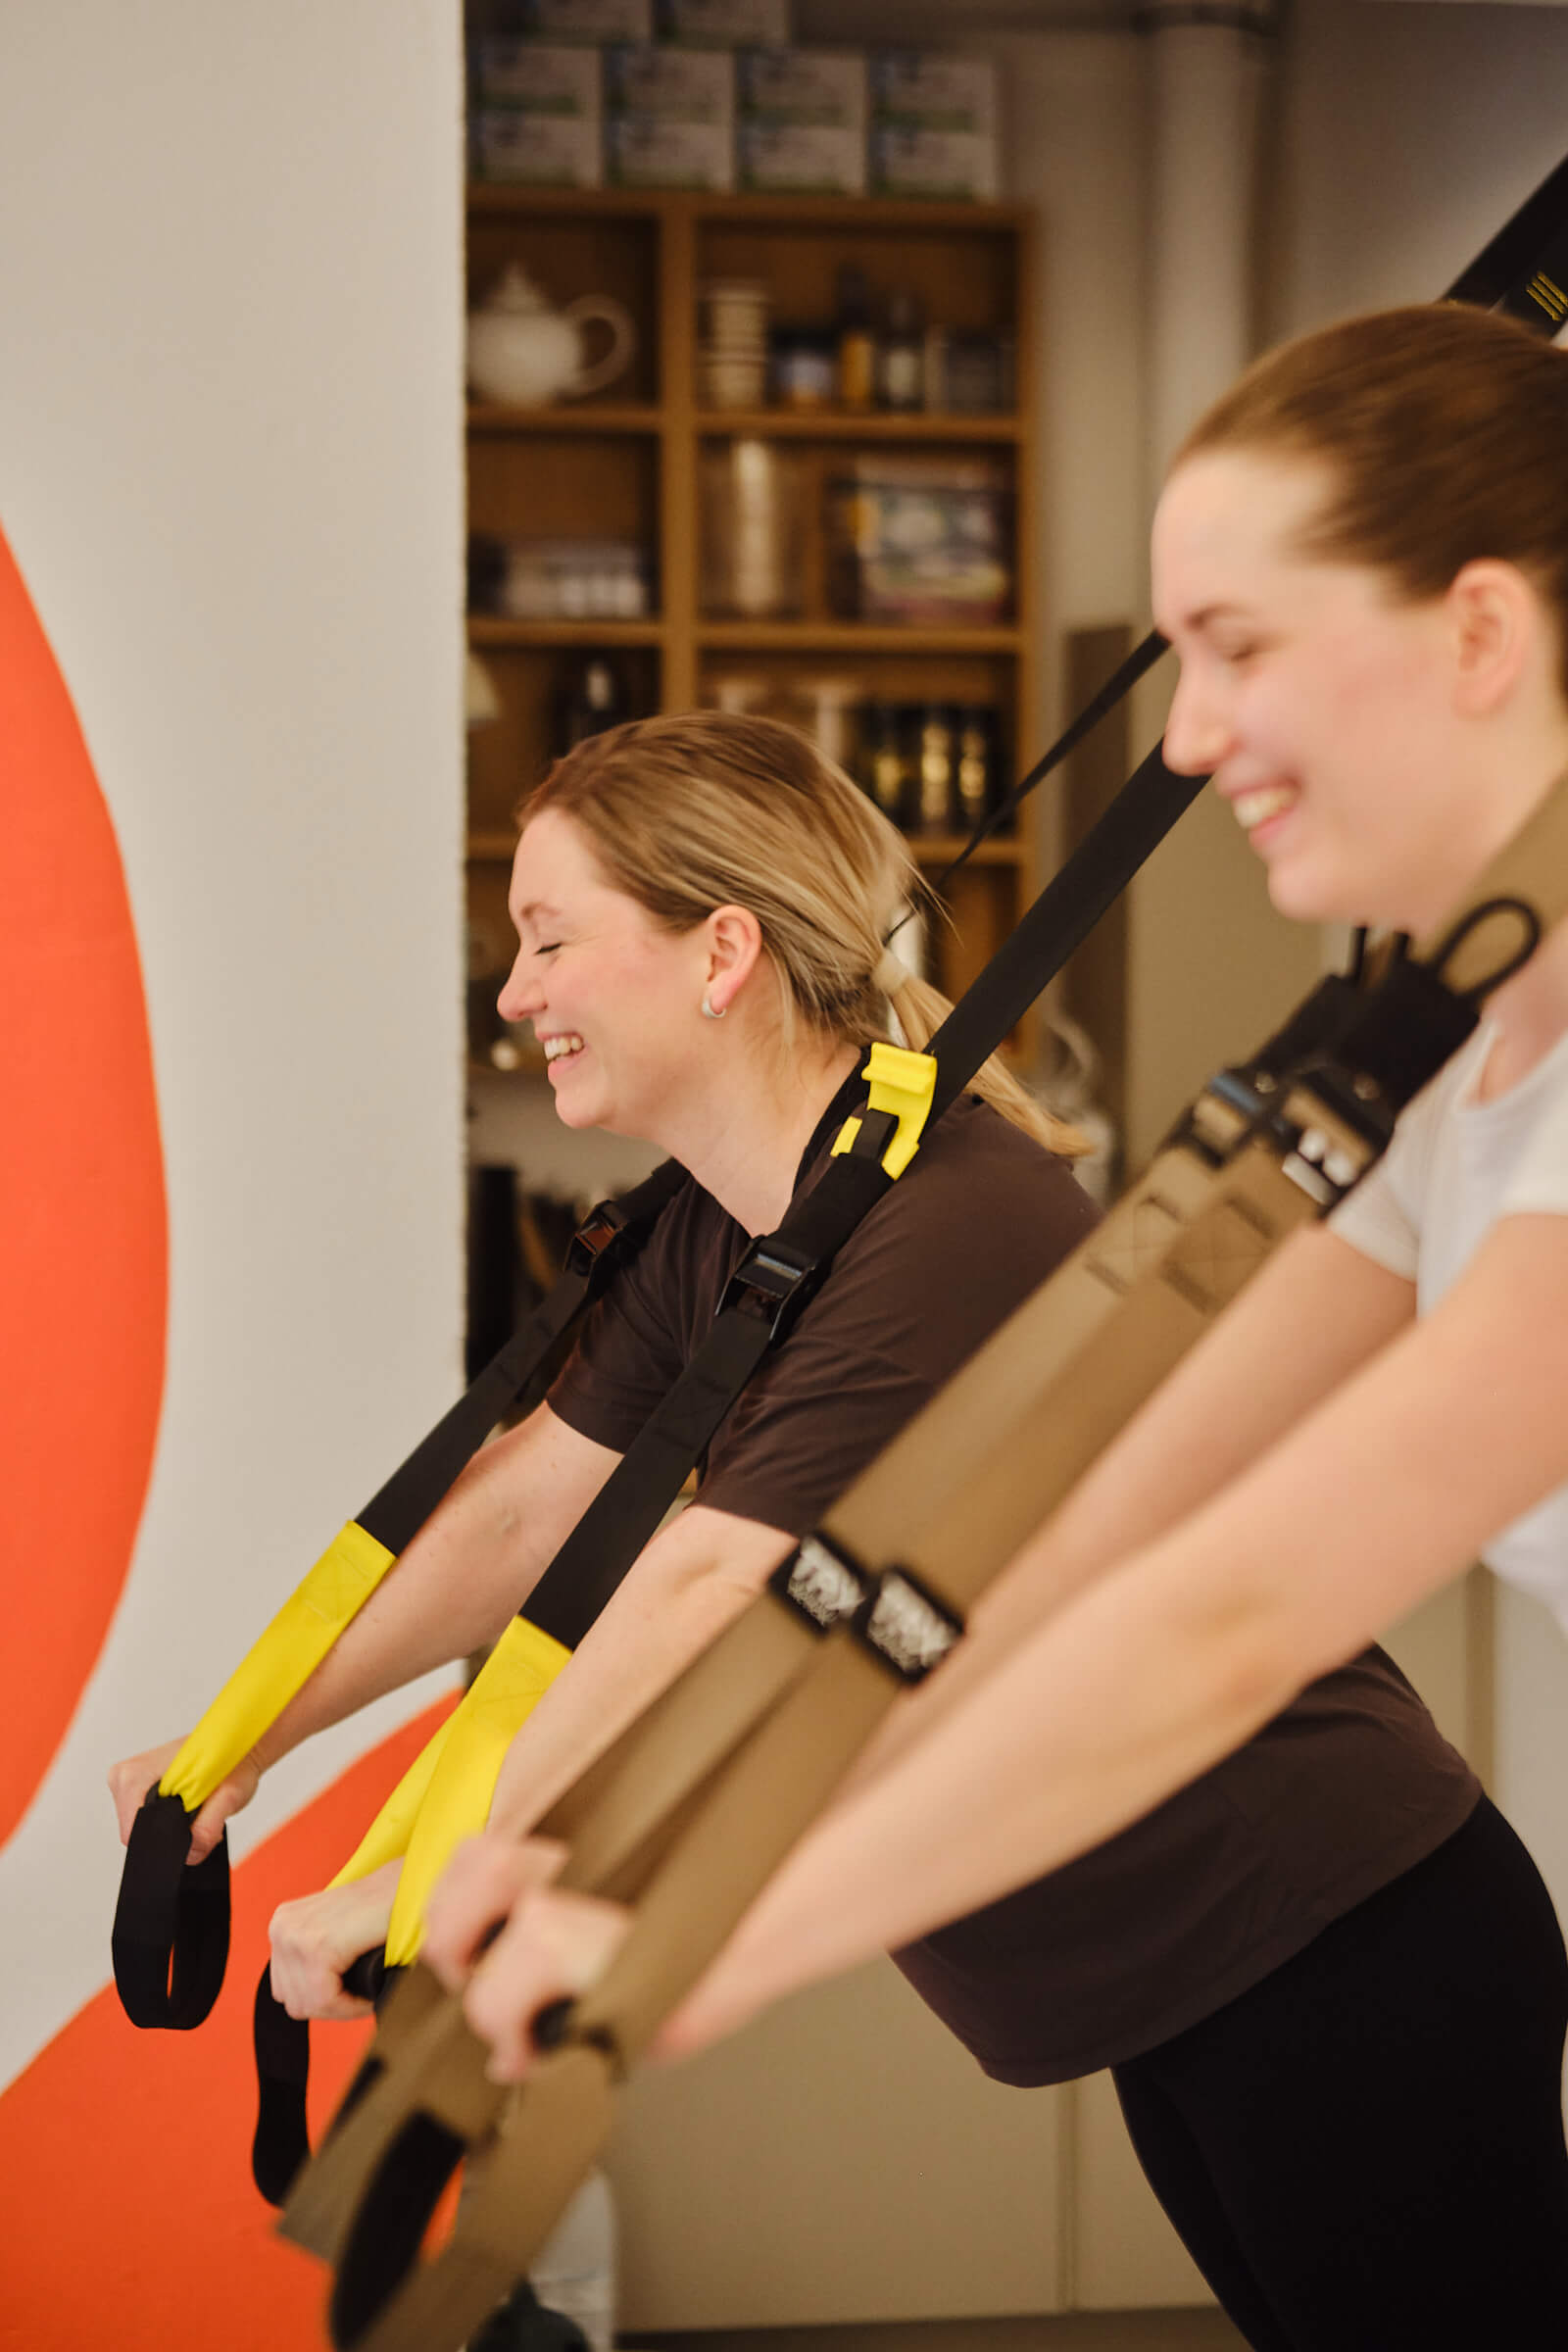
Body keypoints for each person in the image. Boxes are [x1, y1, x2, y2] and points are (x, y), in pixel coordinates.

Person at [423, 310, 1568, 2350]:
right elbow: (1061, 1571)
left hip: (1360, 1938)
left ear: (1477, 632)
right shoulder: (1438, 1064)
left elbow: (1231, 1615)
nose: (1192, 734)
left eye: (1234, 644)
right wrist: (647, 1896)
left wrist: (713, 1937)